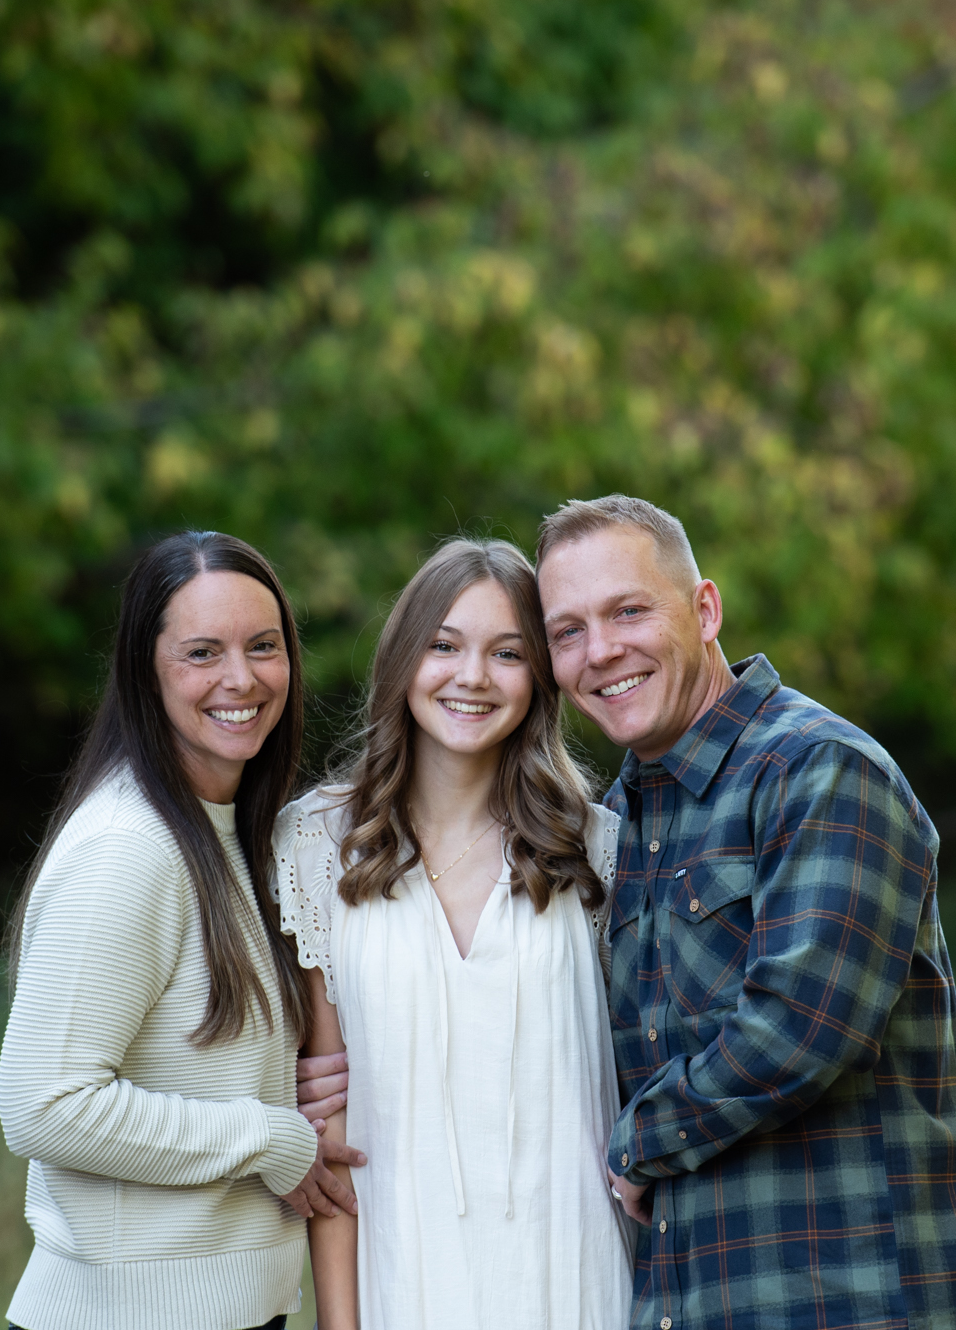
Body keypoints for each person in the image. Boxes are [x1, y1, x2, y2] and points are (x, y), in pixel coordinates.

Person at [535, 495, 956, 1330]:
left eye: (628, 610)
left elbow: (802, 1024)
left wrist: (640, 1143)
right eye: (568, 631)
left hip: (847, 1297)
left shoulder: (819, 769)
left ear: (704, 609)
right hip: (699, 1297)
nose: (600, 651)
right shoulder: (625, 816)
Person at [0, 531, 364, 1330]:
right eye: (203, 652)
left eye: (263, 646)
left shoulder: (232, 830)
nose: (241, 678)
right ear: (145, 669)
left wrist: (299, 1086)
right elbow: (42, 1102)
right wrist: (269, 1136)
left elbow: (198, 1054)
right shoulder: (126, 850)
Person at [272, 538, 633, 1330]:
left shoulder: (598, 847)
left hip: (574, 1278)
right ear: (404, 659)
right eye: (444, 645)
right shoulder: (315, 843)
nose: (471, 676)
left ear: (539, 676)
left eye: (506, 652)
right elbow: (331, 1139)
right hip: (406, 1280)